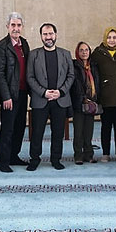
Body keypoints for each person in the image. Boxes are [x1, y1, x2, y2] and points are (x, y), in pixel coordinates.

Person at [26, 23, 75, 171]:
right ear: (41, 36)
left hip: (60, 100)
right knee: (37, 132)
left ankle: (56, 159)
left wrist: (61, 92)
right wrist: (44, 92)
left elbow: (71, 75)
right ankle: (34, 159)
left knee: (58, 132)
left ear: (56, 35)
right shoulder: (33, 55)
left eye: (51, 34)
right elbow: (30, 77)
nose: (48, 37)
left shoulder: (65, 54)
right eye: (45, 34)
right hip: (41, 99)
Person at [0, 12, 30, 172]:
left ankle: (14, 156)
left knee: (20, 127)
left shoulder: (24, 44)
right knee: (7, 129)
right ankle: (4, 161)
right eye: (13, 25)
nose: (16, 28)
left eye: (18, 25)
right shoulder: (2, 47)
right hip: (9, 96)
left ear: (22, 27)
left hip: (22, 93)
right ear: (7, 26)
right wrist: (5, 96)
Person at [91, 27, 116, 162]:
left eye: (114, 37)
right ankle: (105, 153)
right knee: (105, 127)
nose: (112, 40)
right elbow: (94, 73)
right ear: (105, 38)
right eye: (109, 37)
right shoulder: (98, 53)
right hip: (105, 97)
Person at [70, 42, 100, 164]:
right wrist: (83, 98)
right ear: (77, 52)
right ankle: (78, 155)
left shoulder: (93, 66)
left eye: (86, 50)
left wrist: (94, 98)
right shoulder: (74, 66)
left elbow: (97, 82)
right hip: (78, 103)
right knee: (78, 131)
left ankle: (88, 154)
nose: (84, 52)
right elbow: (75, 84)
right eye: (81, 50)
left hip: (91, 103)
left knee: (88, 131)